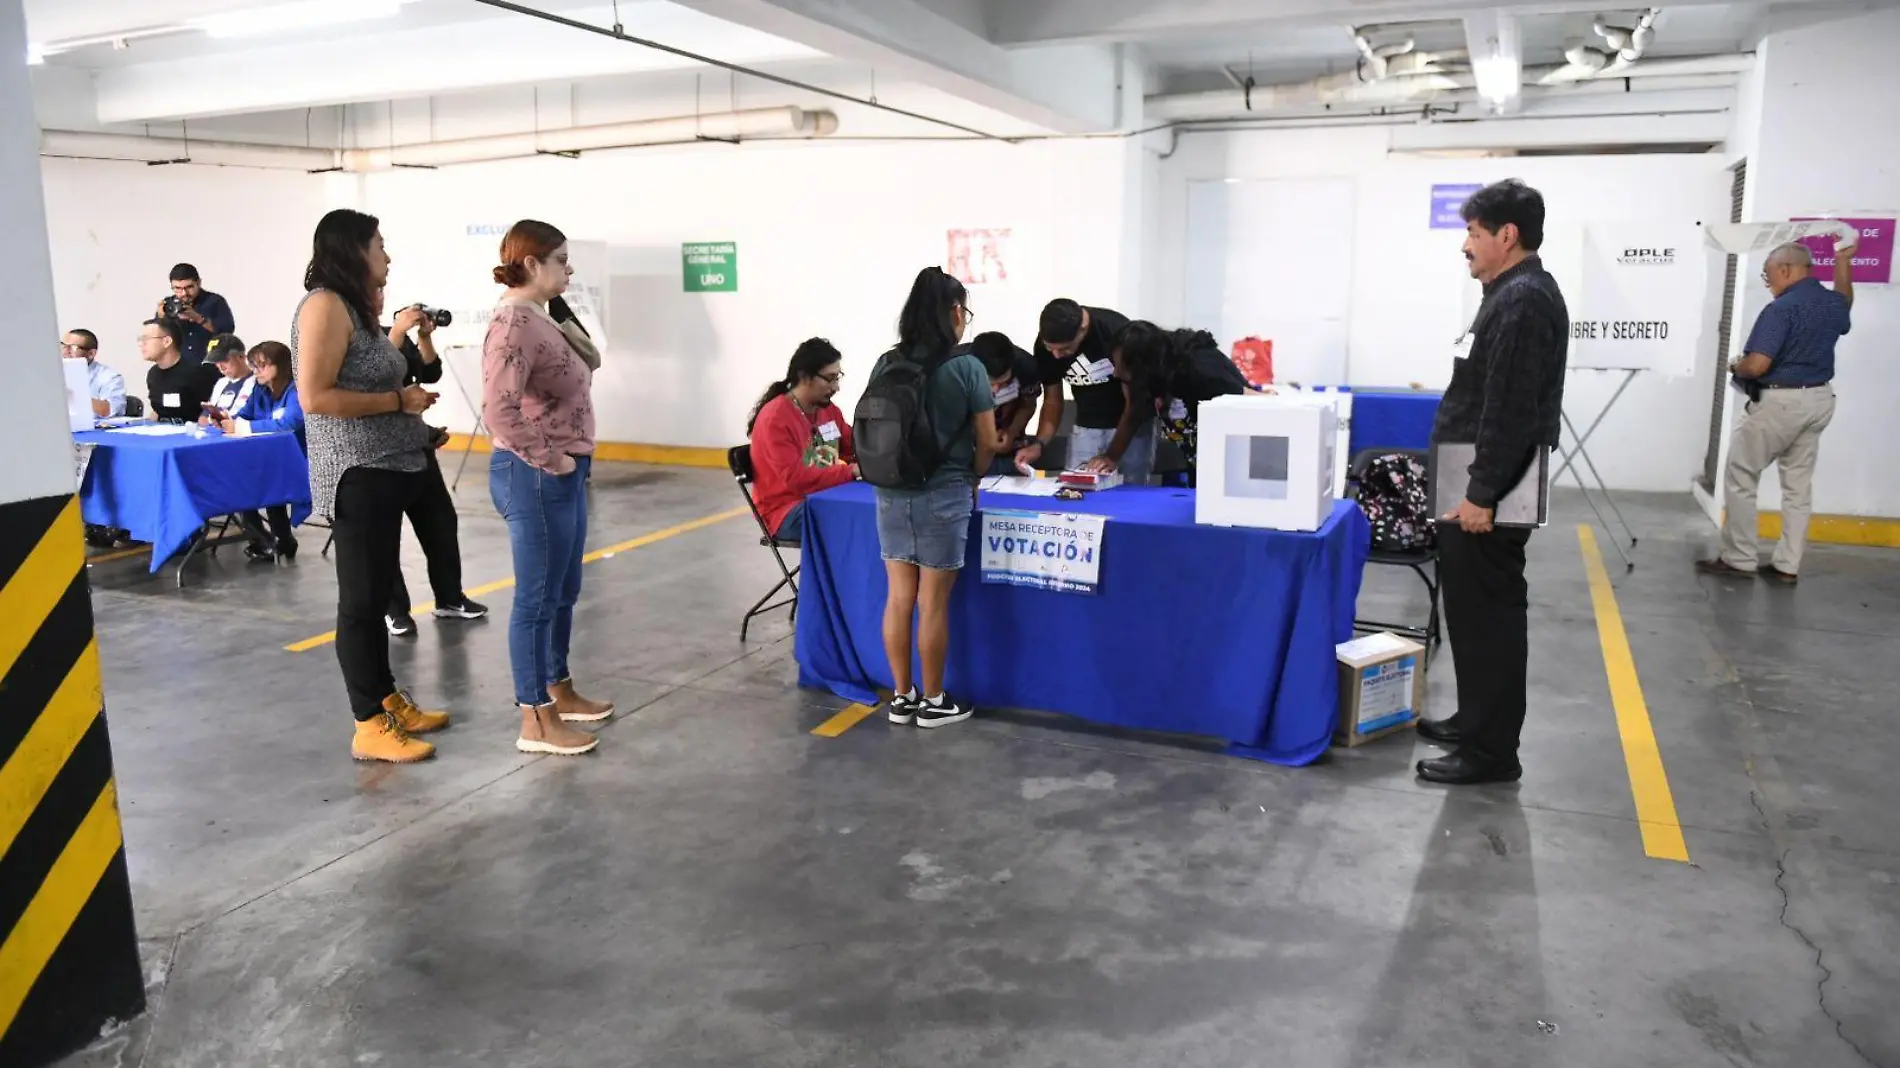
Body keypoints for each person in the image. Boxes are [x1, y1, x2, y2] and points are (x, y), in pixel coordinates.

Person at [1415, 179, 1569, 787]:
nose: (1465, 246)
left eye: (1474, 234)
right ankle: (1477, 721)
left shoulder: (1524, 300)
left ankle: (1490, 753)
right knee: (1473, 617)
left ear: (1508, 235)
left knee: (1490, 619)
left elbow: (1509, 408)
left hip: (1488, 490)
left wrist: (1480, 495)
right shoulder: (1507, 293)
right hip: (1475, 479)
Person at [293, 208, 451, 764]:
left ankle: (387, 699)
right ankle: (368, 725)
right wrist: (397, 402)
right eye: (380, 245)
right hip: (357, 473)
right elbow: (315, 397)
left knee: (379, 586)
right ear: (353, 250)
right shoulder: (323, 306)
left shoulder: (358, 311)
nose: (388, 255)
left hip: (394, 465)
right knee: (361, 603)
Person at [484, 219, 613, 757]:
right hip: (534, 474)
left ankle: (557, 687)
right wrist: (550, 459)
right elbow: (498, 409)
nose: (570, 267)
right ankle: (534, 717)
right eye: (561, 259)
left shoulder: (541, 315)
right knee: (535, 600)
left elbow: (587, 362)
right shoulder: (513, 324)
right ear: (532, 264)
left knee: (563, 591)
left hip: (565, 471)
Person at [871, 267, 997, 729]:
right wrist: (975, 475)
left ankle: (902, 697)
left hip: (889, 492)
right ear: (954, 312)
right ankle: (935, 699)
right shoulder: (967, 366)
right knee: (934, 603)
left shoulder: (887, 362)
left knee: (899, 598)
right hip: (943, 493)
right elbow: (987, 441)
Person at [1696, 240, 1854, 585]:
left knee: (1741, 475)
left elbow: (1758, 364)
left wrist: (1737, 363)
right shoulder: (1830, 303)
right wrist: (1843, 263)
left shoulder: (1781, 310)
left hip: (1781, 404)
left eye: (1768, 277)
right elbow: (1846, 304)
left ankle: (1739, 558)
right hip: (1819, 400)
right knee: (1797, 487)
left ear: (1785, 270)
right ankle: (1787, 565)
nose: (1768, 285)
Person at [375, 286, 487, 636]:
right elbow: (378, 373)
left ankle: (450, 598)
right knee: (384, 533)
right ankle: (394, 610)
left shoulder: (399, 338)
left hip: (415, 441)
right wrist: (396, 331)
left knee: (440, 520)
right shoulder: (363, 340)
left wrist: (423, 336)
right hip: (379, 450)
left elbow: (429, 372)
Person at [1015, 299, 1146, 481]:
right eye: (1050, 348)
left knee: (1129, 491)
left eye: (1065, 348)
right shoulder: (1047, 346)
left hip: (1130, 426)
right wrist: (1039, 443)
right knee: (1077, 489)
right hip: (1086, 425)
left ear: (1082, 329)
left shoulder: (1115, 331)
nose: (1057, 355)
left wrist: (1111, 455)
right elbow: (1053, 399)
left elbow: (1135, 402)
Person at [745, 337, 858, 542]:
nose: (836, 387)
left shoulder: (829, 411)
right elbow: (797, 479)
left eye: (838, 378)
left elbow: (853, 446)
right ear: (805, 377)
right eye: (830, 379)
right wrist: (850, 471)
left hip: (826, 496)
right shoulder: (776, 419)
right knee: (858, 522)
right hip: (785, 511)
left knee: (880, 510)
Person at [1110, 322, 1248, 486]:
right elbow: (1133, 410)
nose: (1116, 372)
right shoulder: (1147, 378)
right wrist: (1110, 457)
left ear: (1144, 365)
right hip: (1200, 461)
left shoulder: (1202, 369)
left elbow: (1250, 401)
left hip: (1232, 464)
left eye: (1124, 367)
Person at [215, 341, 304, 562]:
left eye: (262, 366)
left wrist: (243, 427)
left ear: (281, 366)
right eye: (254, 366)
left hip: (297, 456)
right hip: (268, 456)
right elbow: (246, 414)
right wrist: (228, 421)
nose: (256, 372)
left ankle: (276, 538)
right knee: (243, 476)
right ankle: (268, 538)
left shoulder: (296, 389)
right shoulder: (260, 388)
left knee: (258, 477)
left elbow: (290, 423)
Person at [970, 331, 1041, 475]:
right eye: (989, 383)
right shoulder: (953, 367)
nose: (995, 390)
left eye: (1003, 383)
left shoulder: (1027, 367)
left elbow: (1028, 405)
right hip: (966, 449)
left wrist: (1012, 432)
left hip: (1008, 449)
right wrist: (984, 435)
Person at [140, 317, 219, 422]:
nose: (141, 344)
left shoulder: (196, 372)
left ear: (167, 341)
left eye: (146, 339)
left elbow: (211, 410)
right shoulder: (153, 374)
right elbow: (158, 411)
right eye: (140, 340)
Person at [154, 263, 236, 366]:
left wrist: (198, 318)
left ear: (199, 283)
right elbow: (156, 340)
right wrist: (161, 318)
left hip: (208, 368)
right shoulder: (168, 306)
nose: (184, 293)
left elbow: (227, 332)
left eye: (189, 287)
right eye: (177, 288)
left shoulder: (215, 301)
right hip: (178, 369)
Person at [62, 329, 124, 418]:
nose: (65, 352)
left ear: (91, 353)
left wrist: (75, 396)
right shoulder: (54, 373)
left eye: (72, 348)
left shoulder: (109, 377)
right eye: (63, 346)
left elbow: (112, 409)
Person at [202, 333, 256, 418]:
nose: (220, 366)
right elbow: (204, 417)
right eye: (215, 361)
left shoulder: (257, 382)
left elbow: (245, 416)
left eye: (224, 360)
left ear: (241, 356)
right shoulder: (221, 383)